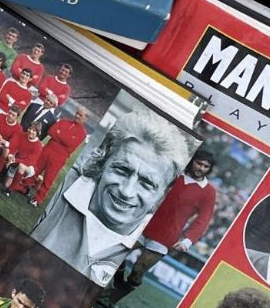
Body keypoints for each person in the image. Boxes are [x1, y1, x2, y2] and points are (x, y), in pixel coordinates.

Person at [32, 114, 186, 286]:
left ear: (163, 195)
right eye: (122, 170)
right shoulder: (67, 184)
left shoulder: (151, 234)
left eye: (147, 183)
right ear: (102, 162)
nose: (127, 191)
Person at [105, 147, 219, 302]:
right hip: (143, 224)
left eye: (206, 167)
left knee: (138, 270)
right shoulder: (174, 174)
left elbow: (203, 220)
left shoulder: (208, 192)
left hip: (166, 236)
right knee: (116, 254)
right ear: (192, 161)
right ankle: (118, 284)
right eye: (199, 163)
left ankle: (114, 297)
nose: (201, 168)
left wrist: (187, 240)